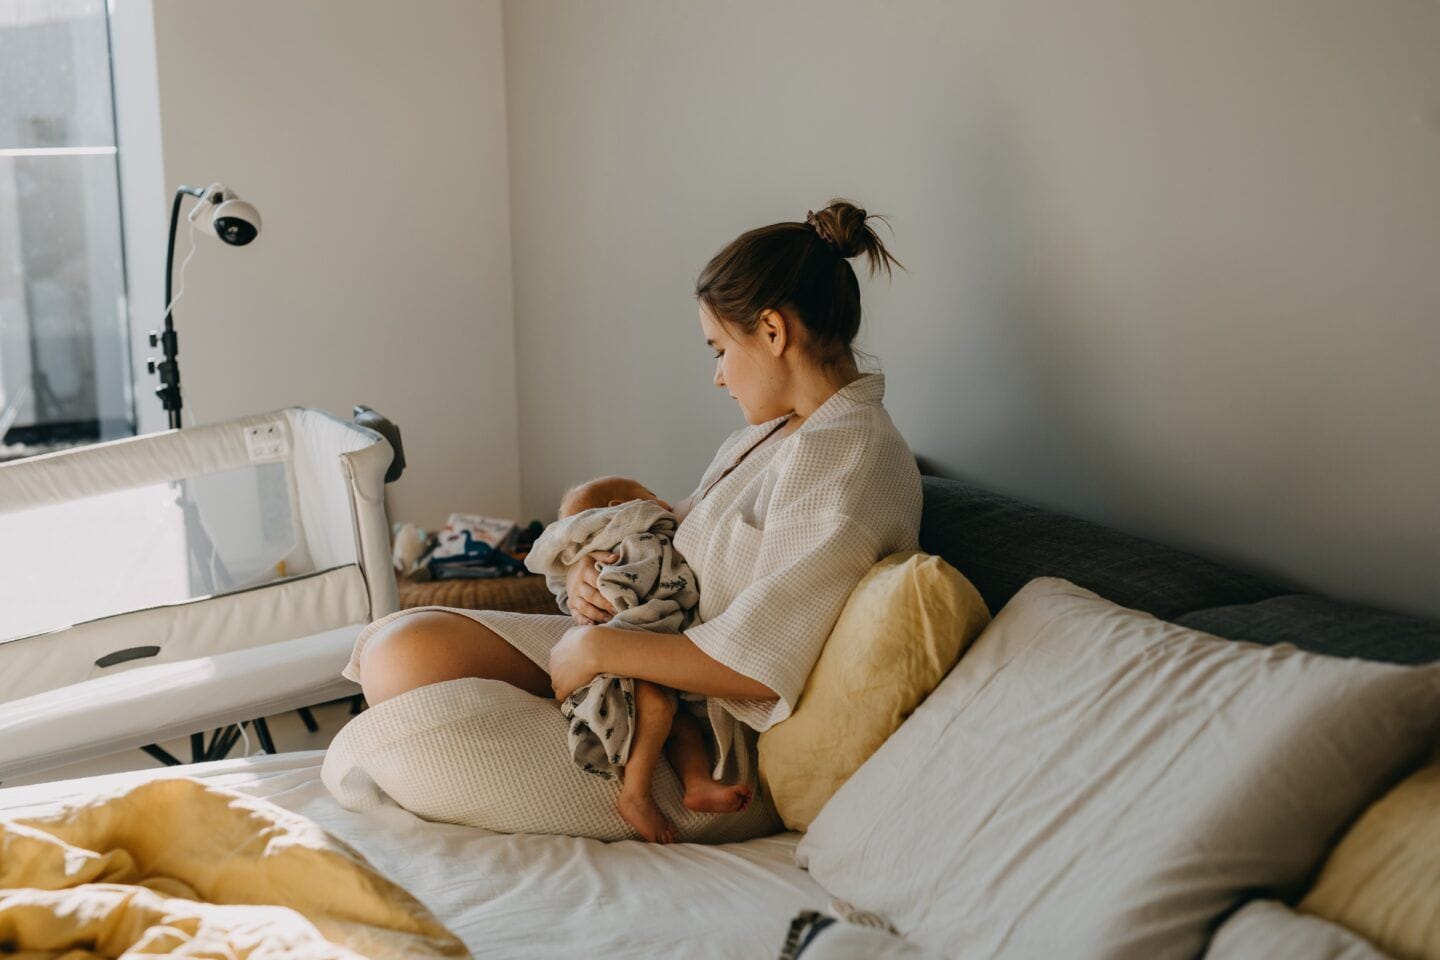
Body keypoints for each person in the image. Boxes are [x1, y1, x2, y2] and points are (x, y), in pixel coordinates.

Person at [336, 198, 923, 842]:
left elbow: (762, 662)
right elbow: (684, 528)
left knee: (405, 729)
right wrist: (597, 567)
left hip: (712, 736)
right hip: (648, 647)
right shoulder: (782, 433)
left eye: (719, 349)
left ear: (773, 332)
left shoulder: (849, 462)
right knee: (401, 651)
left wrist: (596, 646)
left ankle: (595, 760)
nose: (718, 377)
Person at [527, 475, 751, 843]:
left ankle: (697, 785)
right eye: (651, 496)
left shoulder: (643, 541)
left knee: (683, 725)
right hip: (626, 650)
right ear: (620, 509)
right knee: (660, 711)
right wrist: (579, 566)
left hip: (654, 651)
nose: (663, 503)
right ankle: (635, 795)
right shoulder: (633, 536)